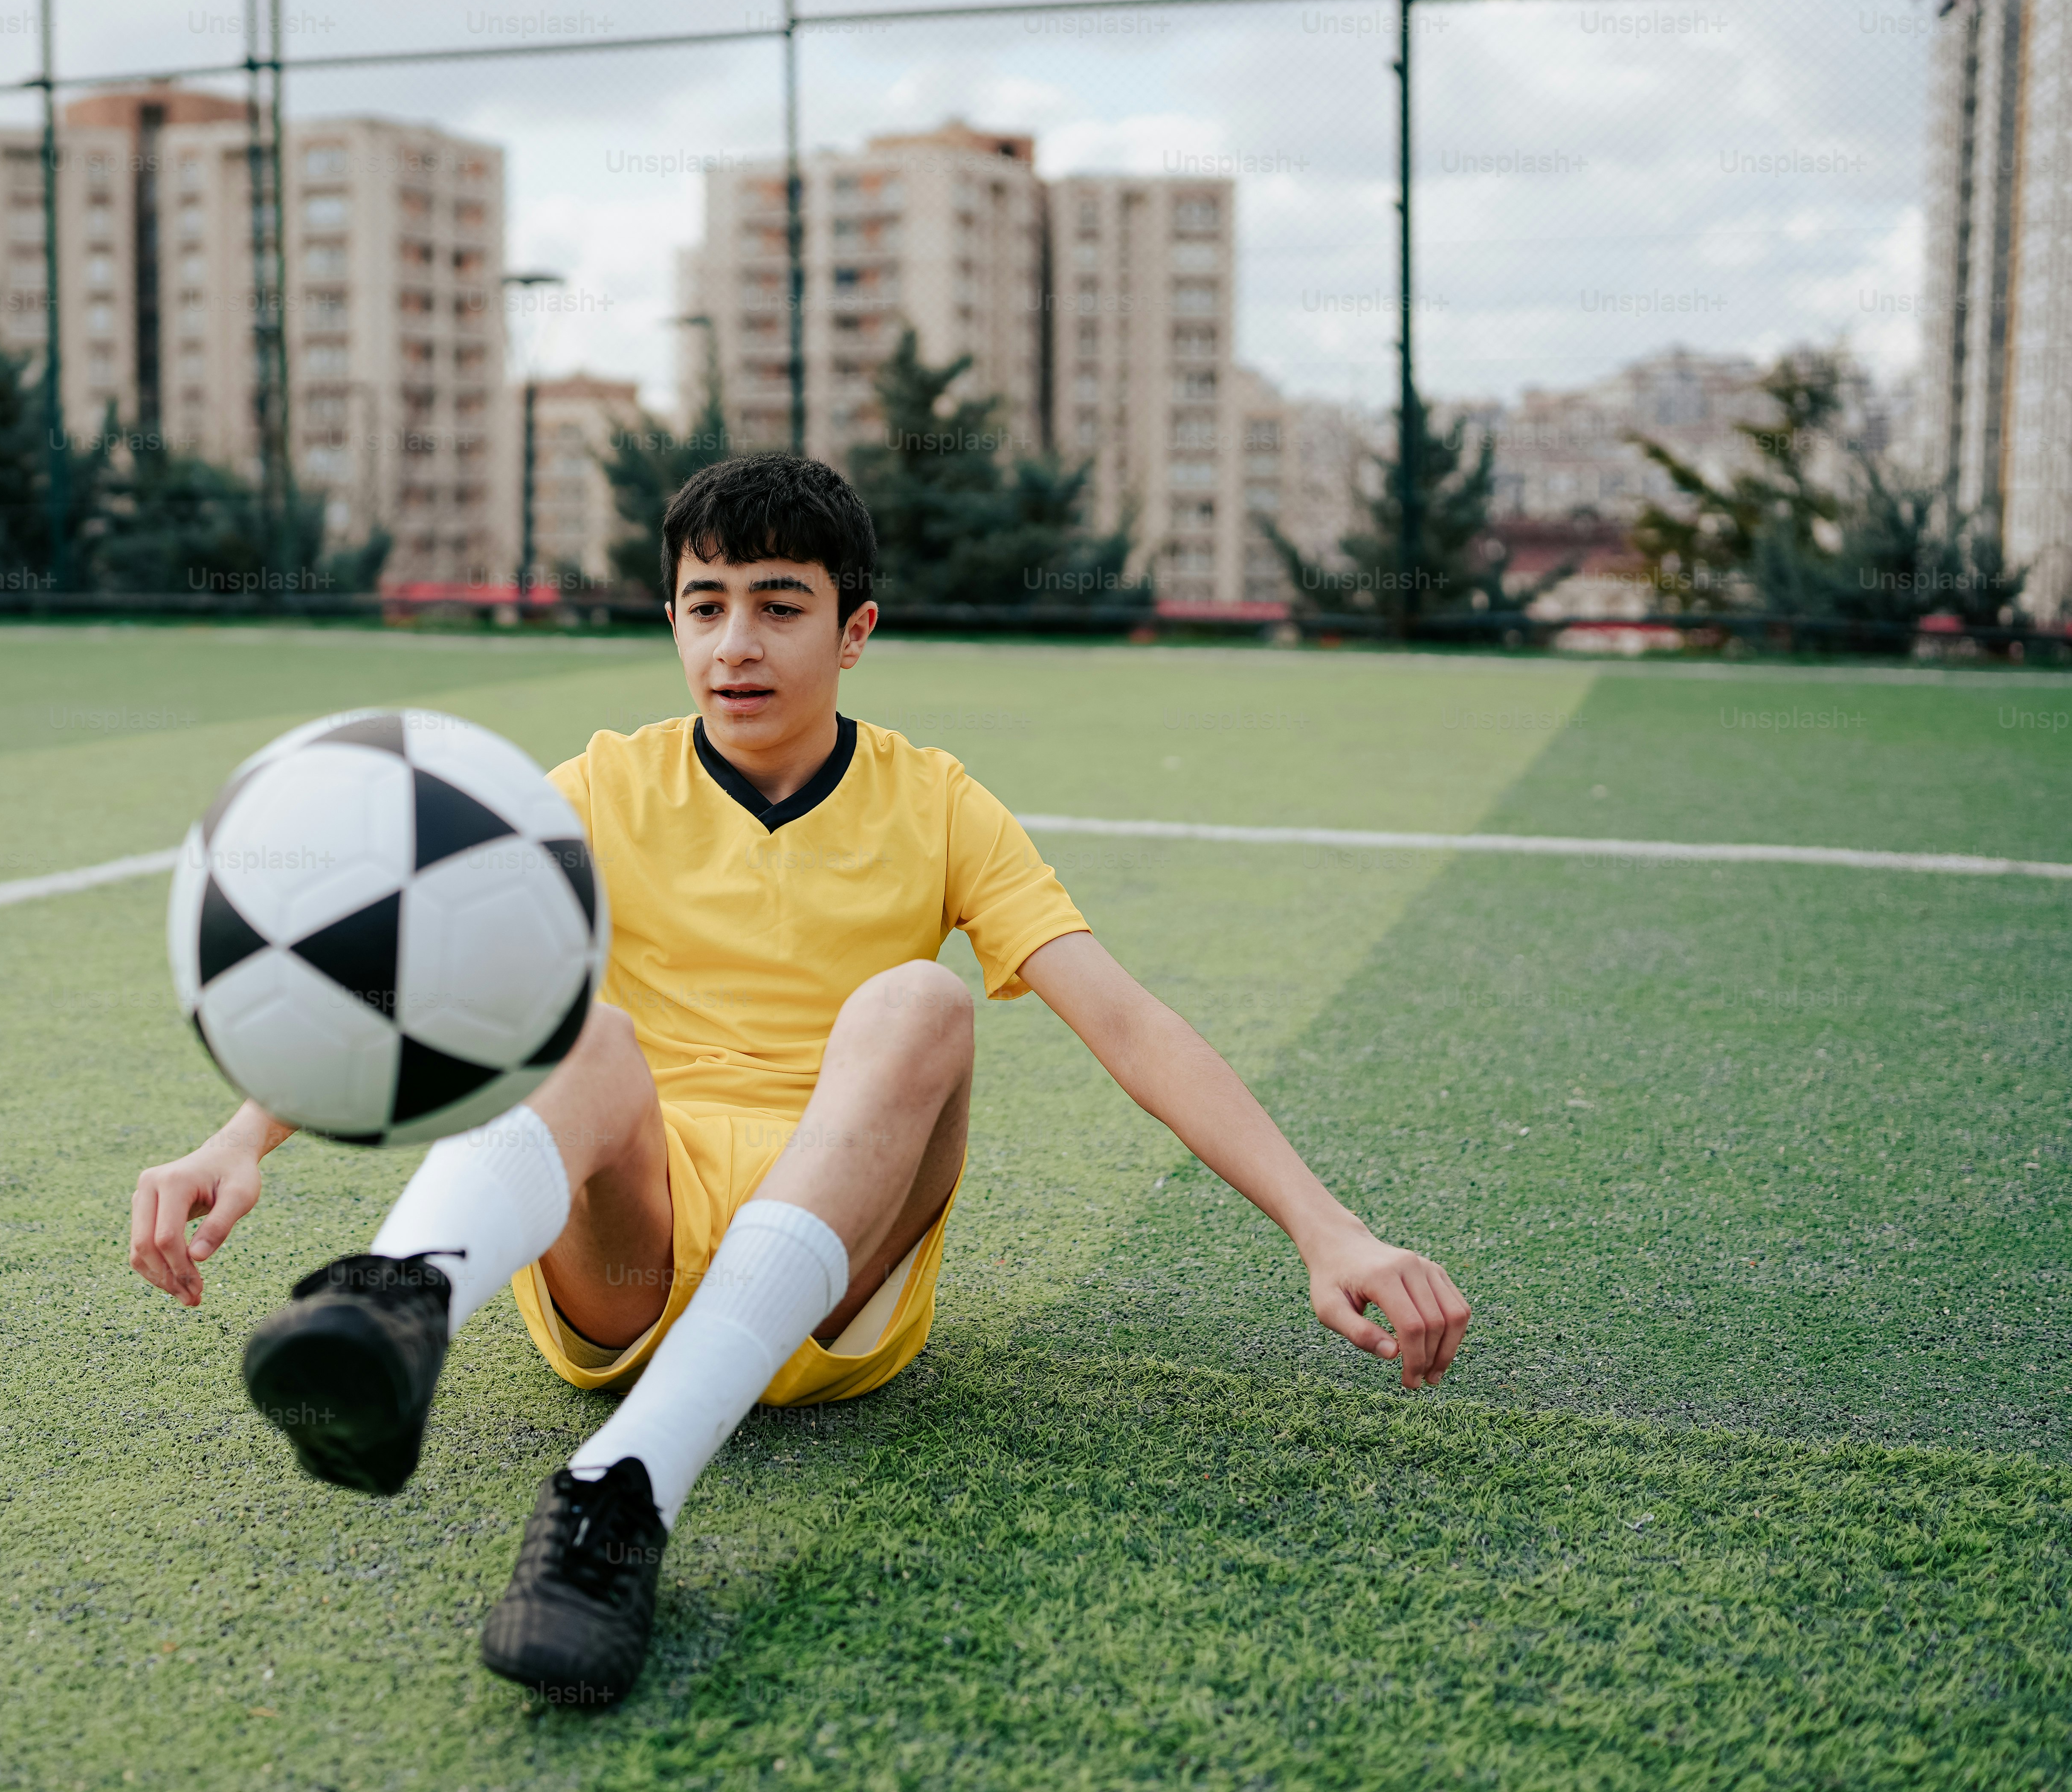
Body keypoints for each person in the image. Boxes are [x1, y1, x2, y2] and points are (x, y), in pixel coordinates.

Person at [126, 452, 1470, 1707]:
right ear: (669, 620)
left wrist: (1324, 1223)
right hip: (626, 1267)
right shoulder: (599, 784)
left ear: (855, 630)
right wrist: (243, 1133)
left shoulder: (936, 801)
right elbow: (410, 951)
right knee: (578, 1026)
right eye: (705, 605)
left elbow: (1123, 1018)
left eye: (779, 606)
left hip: (836, 1274)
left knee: (922, 998)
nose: (736, 644)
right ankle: (400, 1296)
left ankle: (618, 1496)